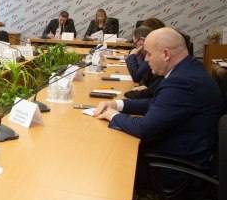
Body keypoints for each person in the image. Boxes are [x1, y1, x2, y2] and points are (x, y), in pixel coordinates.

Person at [94, 28, 224, 170]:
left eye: (149, 54)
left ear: (166, 54)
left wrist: (113, 115)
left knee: (105, 158)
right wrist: (117, 104)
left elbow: (144, 128)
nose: (146, 59)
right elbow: (157, 103)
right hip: (177, 151)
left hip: (175, 165)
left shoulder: (183, 82)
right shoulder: (189, 69)